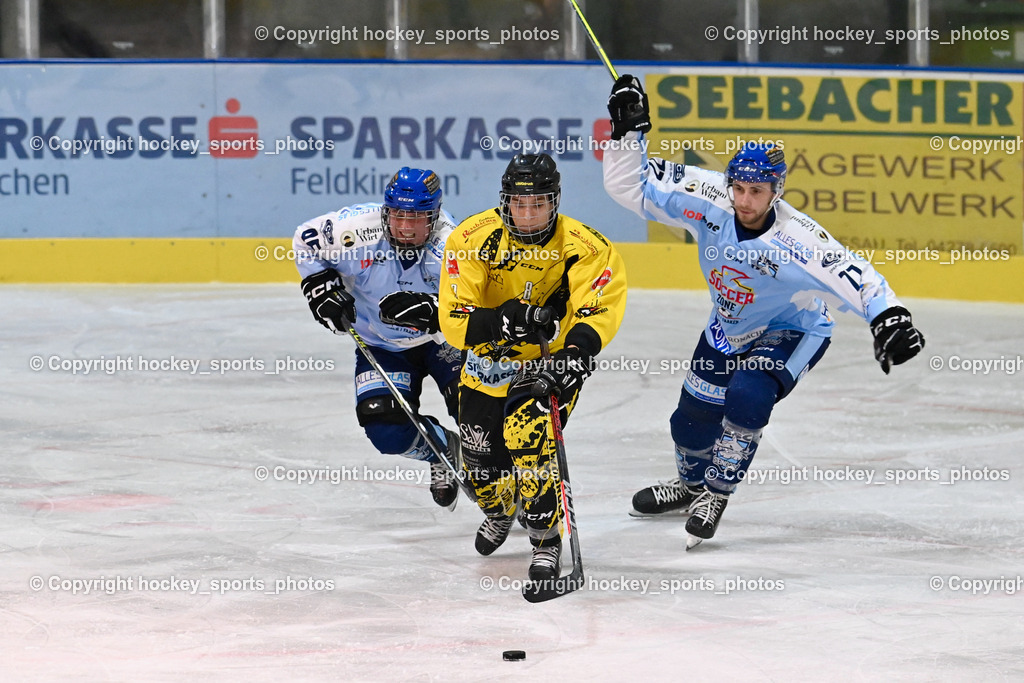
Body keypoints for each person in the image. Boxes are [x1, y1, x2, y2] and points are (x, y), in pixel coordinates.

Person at [602, 75, 926, 546]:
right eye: (740, 188)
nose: (745, 200)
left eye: (758, 191)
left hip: (794, 328)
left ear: (777, 190)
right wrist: (627, 136)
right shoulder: (708, 195)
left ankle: (715, 493)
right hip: (729, 325)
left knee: (749, 395)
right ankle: (692, 486)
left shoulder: (800, 241)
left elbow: (857, 276)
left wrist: (889, 317)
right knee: (688, 424)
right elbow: (629, 188)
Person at [438, 153, 627, 582]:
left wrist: (576, 354)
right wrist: (505, 319)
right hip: (485, 364)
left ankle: (545, 540)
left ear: (554, 202)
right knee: (481, 467)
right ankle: (502, 508)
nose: (527, 214)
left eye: (538, 204)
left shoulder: (585, 246)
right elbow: (453, 321)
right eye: (518, 204)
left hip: (548, 365)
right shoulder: (471, 238)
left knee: (528, 441)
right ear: (504, 202)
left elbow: (597, 307)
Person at [293, 167, 464, 509]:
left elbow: (478, 307)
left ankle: (508, 484)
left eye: (416, 218)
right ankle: (443, 448)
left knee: (477, 417)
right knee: (385, 428)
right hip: (382, 345)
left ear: (434, 217)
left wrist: (435, 313)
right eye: (398, 215)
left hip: (444, 343)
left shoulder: (454, 246)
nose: (404, 226)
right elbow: (304, 240)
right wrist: (319, 286)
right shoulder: (355, 230)